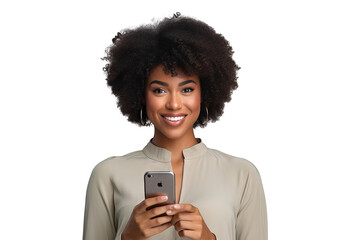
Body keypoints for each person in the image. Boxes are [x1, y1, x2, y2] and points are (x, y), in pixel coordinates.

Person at [83, 13, 267, 240]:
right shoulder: (108, 175)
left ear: (204, 93)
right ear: (141, 95)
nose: (174, 104)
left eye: (187, 89)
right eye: (159, 90)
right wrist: (128, 237)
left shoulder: (242, 174)